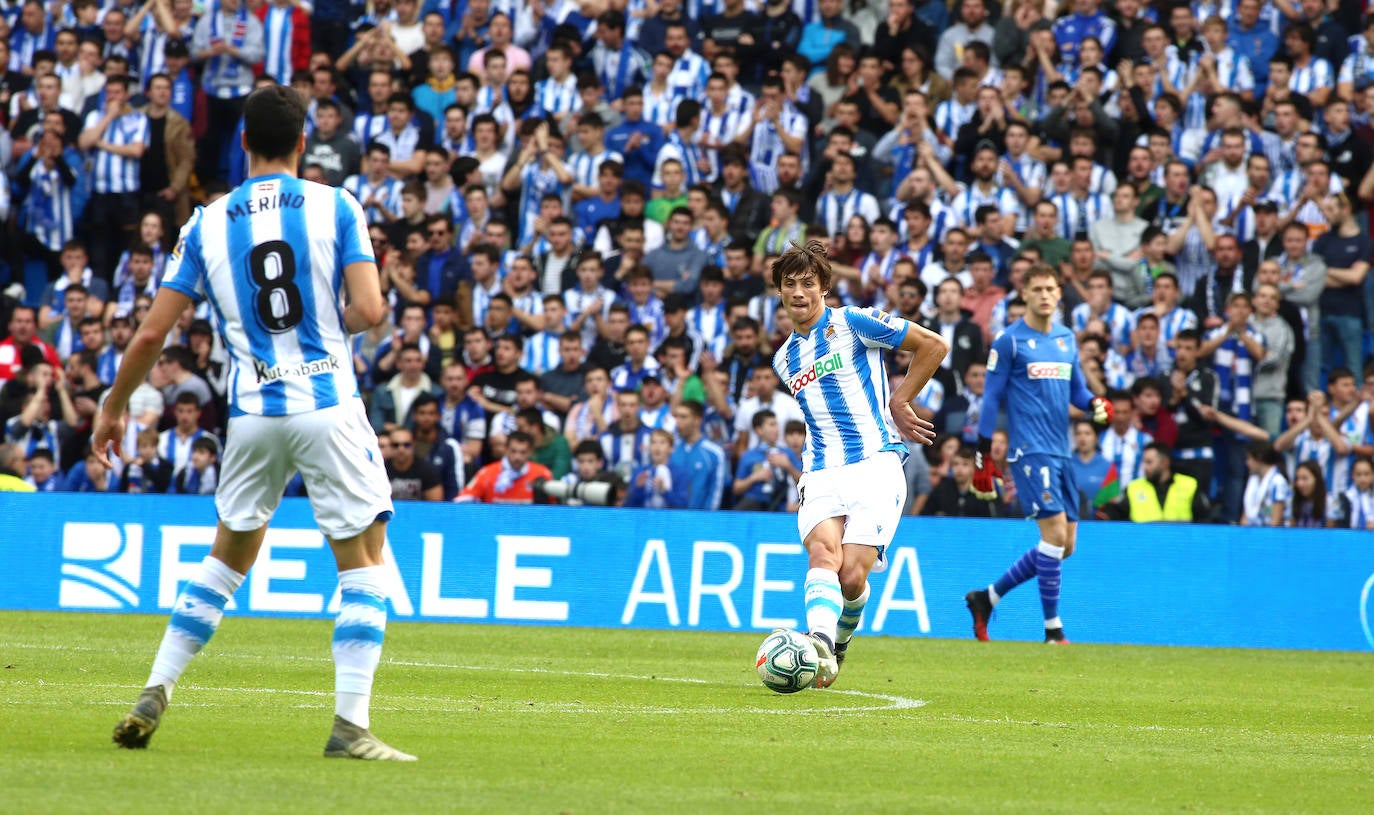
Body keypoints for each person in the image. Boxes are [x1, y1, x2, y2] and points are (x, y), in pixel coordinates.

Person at [92, 86, 414, 761]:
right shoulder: (337, 205)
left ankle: (157, 686)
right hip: (325, 404)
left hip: (252, 413)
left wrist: (115, 404)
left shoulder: (206, 222)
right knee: (363, 558)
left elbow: (152, 334)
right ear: (303, 142)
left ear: (243, 144)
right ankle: (350, 726)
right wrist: (325, 328)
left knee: (228, 554)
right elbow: (372, 308)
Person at [771, 240, 947, 687]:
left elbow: (932, 345)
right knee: (822, 553)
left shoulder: (852, 322)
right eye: (789, 284)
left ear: (824, 287)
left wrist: (901, 398)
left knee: (851, 577)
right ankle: (820, 647)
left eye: (808, 283)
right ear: (779, 293)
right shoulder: (783, 359)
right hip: (821, 470)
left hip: (875, 463)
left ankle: (840, 639)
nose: (798, 293)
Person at [965, 264, 1113, 645]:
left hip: (1061, 452)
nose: (1045, 295)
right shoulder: (1009, 342)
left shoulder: (1066, 339)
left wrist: (1096, 402)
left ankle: (987, 597)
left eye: (1051, 288)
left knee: (1065, 546)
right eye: (1038, 289)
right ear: (1025, 293)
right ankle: (1052, 630)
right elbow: (991, 399)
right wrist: (983, 456)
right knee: (1054, 535)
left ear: (1059, 294)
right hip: (1029, 451)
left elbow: (1077, 391)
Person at [1119, 441, 1209, 523]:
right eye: (1143, 462)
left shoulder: (1189, 485)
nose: (1144, 467)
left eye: (1149, 462)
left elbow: (1204, 520)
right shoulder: (1134, 488)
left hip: (1181, 539)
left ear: (1165, 463)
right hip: (1144, 539)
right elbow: (1117, 514)